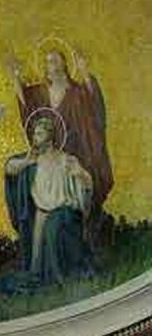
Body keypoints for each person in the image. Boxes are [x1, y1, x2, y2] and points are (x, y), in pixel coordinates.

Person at [7, 47, 113, 245]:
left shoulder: (77, 92)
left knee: (78, 186)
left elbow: (95, 107)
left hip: (77, 152)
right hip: (50, 154)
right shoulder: (40, 92)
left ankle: (79, 234)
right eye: (48, 61)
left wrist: (84, 71)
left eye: (55, 60)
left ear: (65, 64)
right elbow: (26, 104)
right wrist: (15, 75)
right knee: (18, 168)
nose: (51, 65)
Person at [4, 115, 94, 287]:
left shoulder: (66, 160)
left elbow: (87, 182)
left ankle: (62, 280)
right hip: (41, 215)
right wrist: (26, 161)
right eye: (34, 134)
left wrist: (80, 175)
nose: (34, 138)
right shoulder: (33, 160)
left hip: (63, 214)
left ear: (50, 136)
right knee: (36, 266)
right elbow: (9, 168)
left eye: (39, 134)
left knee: (54, 248)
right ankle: (42, 281)